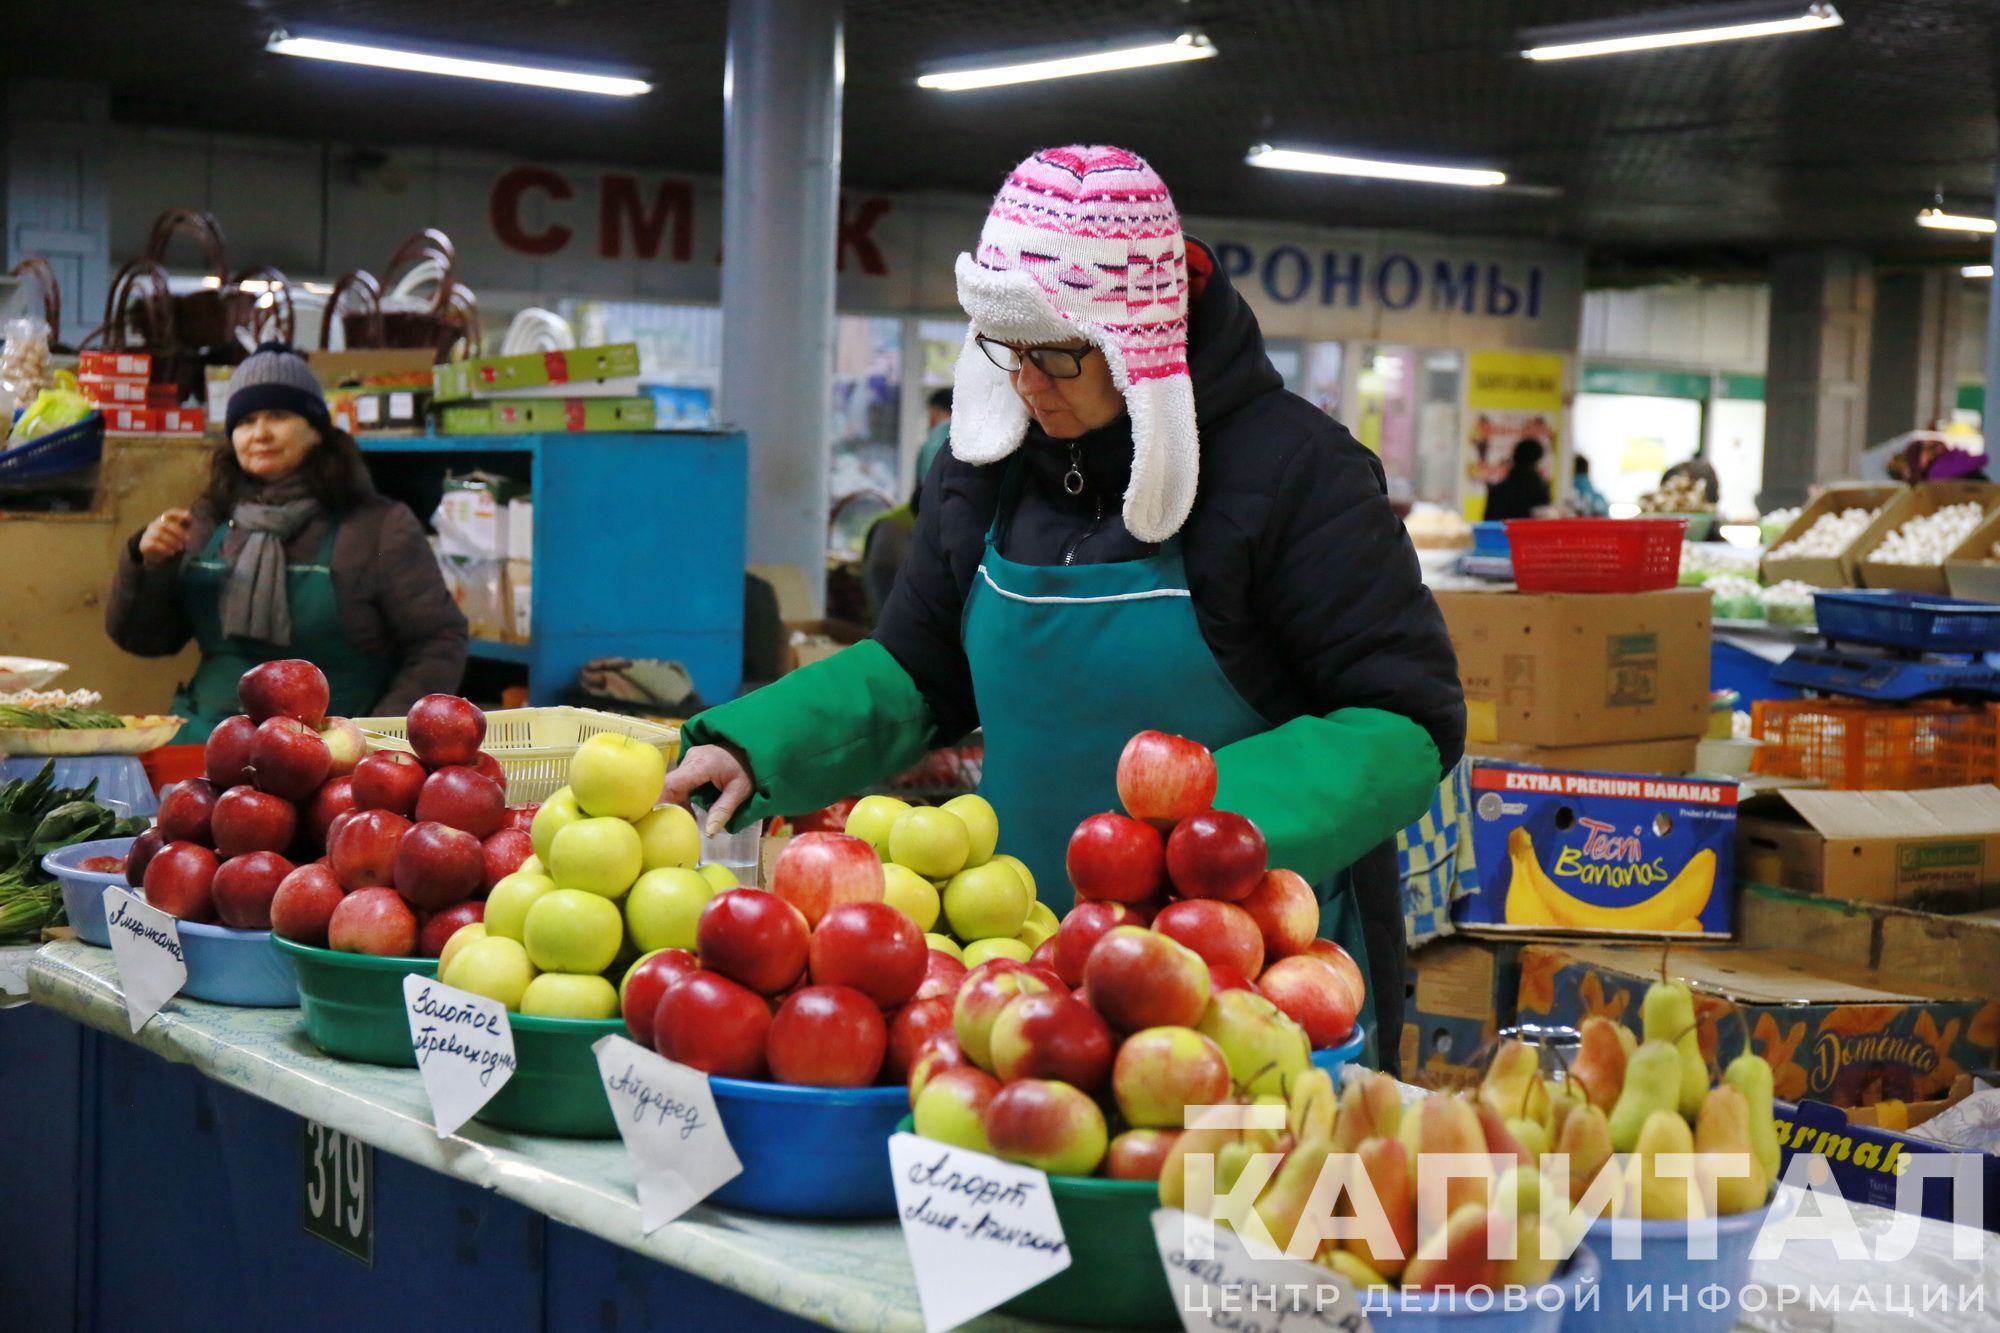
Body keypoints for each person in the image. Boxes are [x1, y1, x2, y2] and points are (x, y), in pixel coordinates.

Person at [662, 146, 1464, 1068]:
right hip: (1023, 966)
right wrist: (753, 744)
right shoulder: (986, 469)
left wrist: (1198, 837)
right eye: (1005, 349)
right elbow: (920, 670)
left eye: (1056, 352)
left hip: (1237, 975)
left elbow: (1406, 718)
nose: (1028, 382)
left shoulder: (1297, 474)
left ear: (1139, 344)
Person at [106, 343, 468, 740]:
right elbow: (146, 640)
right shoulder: (209, 520)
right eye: (245, 421)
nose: (260, 434)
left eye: (277, 416)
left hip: (331, 753)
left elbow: (438, 641)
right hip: (210, 741)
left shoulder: (377, 527)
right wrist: (147, 565)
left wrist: (379, 740)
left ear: (315, 431)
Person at [1483, 438, 1551, 521]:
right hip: (1528, 533)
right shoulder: (1540, 488)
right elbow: (1543, 521)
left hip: (1502, 533)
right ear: (1536, 460)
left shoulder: (1498, 490)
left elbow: (1488, 523)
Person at [913, 387, 953, 492]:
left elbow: (929, 481)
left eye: (930, 413)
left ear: (937, 411)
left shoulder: (937, 438)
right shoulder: (960, 435)